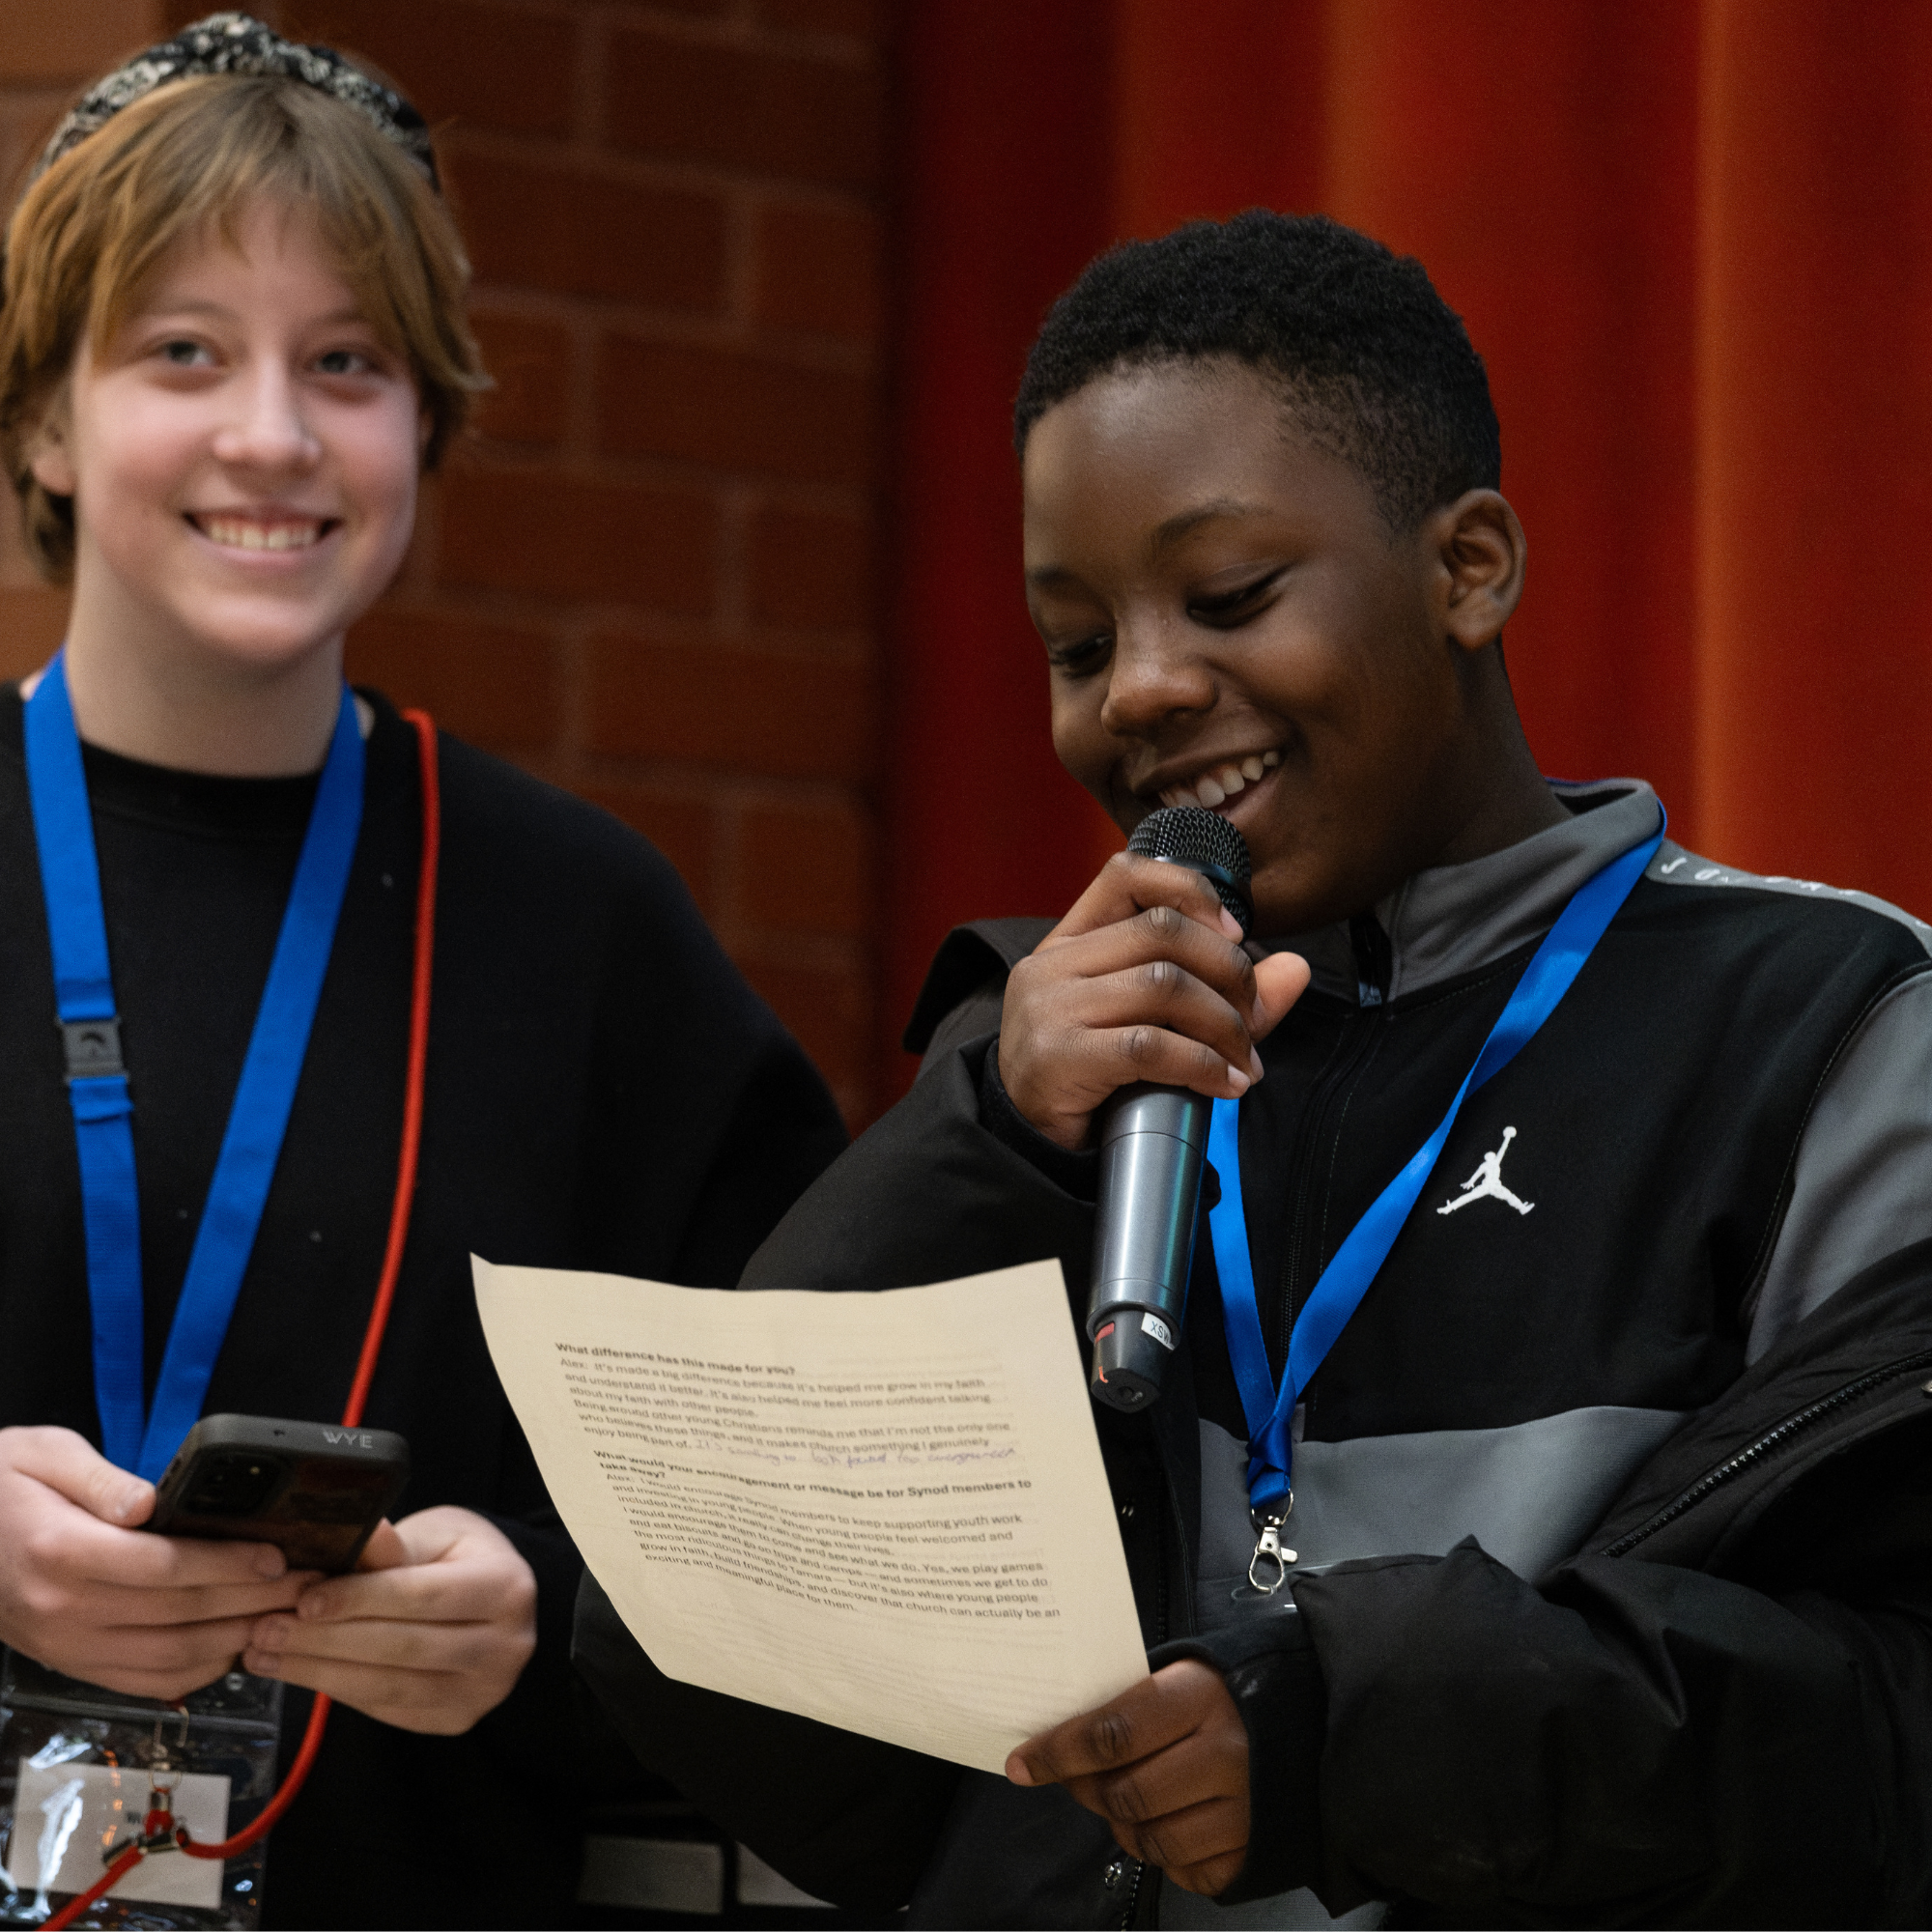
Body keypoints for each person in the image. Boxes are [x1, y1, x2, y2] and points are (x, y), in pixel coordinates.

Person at [575, 211, 1932, 1927]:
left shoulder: (1822, 1025)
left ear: (1469, 569)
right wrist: (985, 1136)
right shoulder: (1061, 1081)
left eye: (1228, 597)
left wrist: (1348, 1735)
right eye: (1077, 645)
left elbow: (1885, 1711)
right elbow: (706, 1622)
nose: (1141, 688)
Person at [0, 15, 845, 1929]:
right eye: (183, 351)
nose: (275, 434)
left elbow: (807, 1505)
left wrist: (552, 1615)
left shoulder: (585, 925)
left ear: (427, 425)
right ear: (45, 420)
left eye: (350, 364)